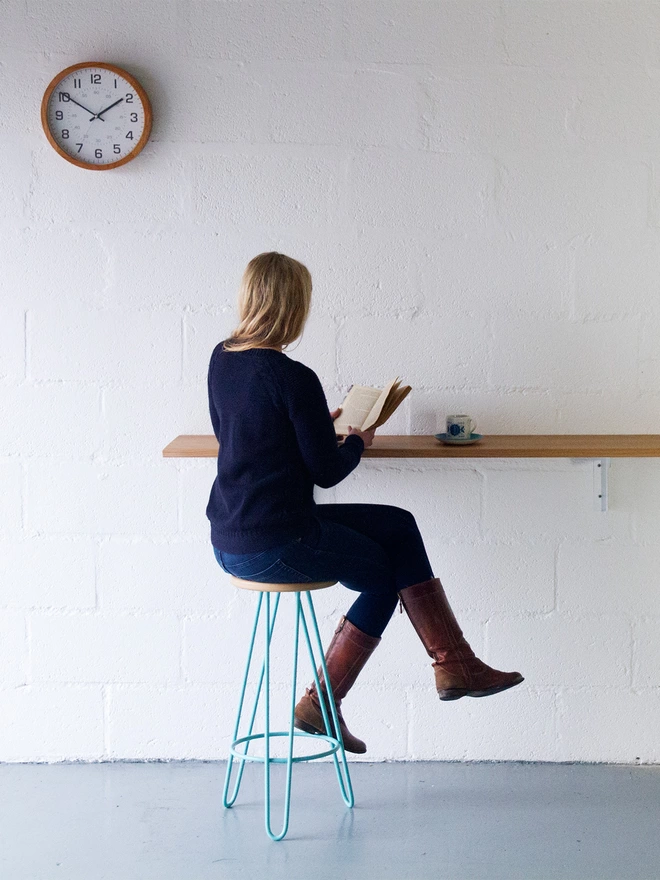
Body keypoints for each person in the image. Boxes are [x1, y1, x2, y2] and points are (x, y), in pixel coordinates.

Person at [207, 252, 523, 754]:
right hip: (277, 541)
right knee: (386, 575)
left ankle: (454, 664)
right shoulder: (293, 376)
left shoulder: (222, 358)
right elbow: (327, 474)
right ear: (294, 306)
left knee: (398, 524)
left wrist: (313, 427)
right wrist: (358, 441)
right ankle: (328, 700)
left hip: (231, 534)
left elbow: (241, 434)